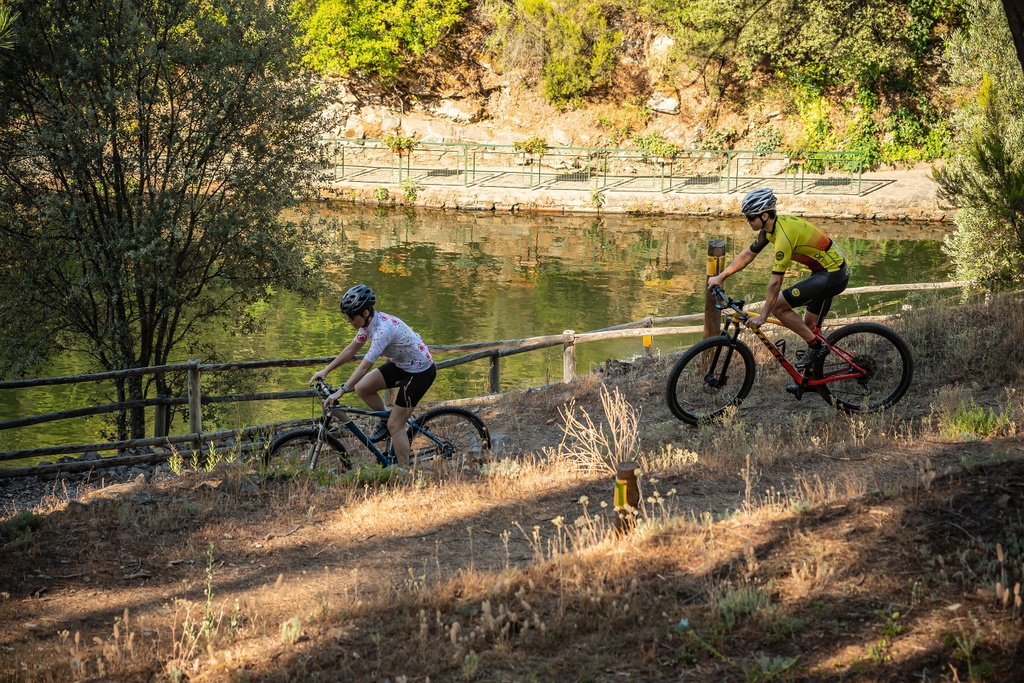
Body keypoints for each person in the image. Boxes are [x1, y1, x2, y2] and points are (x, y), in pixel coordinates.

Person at [707, 187, 849, 370]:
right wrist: (721, 276)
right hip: (824, 271)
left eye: (750, 217)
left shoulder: (783, 237)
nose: (747, 221)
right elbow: (748, 254)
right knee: (808, 327)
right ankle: (812, 381)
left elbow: (775, 282)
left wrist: (763, 316)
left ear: (764, 216)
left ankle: (817, 347)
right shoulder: (770, 229)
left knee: (779, 307)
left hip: (832, 275)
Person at [309, 284, 436, 467]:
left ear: (366, 313)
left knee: (396, 426)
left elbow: (363, 367)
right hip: (403, 364)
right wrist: (325, 370)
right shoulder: (369, 324)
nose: (348, 321)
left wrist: (341, 391)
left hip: (420, 372)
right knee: (362, 387)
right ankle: (386, 421)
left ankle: (404, 473)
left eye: (351, 317)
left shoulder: (382, 331)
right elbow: (352, 349)